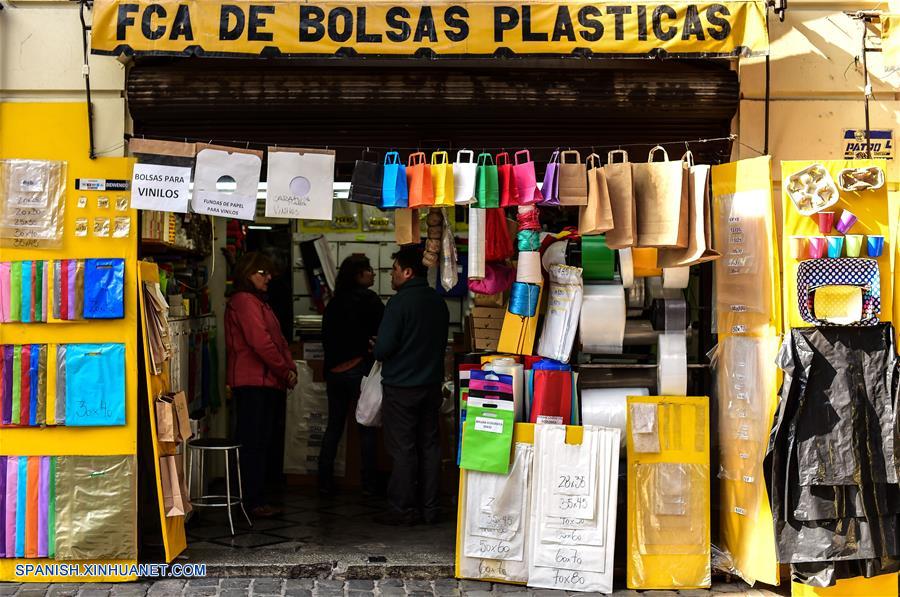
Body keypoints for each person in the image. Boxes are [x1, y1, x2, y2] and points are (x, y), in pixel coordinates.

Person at [373, 245, 450, 525]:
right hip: (430, 386)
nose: (391, 275)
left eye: (394, 270)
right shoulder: (437, 301)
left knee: (403, 449)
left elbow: (383, 349)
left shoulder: (399, 303)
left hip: (401, 388)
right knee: (429, 447)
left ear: (407, 272)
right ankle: (430, 509)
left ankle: (403, 510)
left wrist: (378, 345)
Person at [225, 252, 297, 518]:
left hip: (266, 382)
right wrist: (284, 370)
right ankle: (252, 501)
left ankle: (256, 498)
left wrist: (287, 367)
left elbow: (276, 339)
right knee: (254, 443)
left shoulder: (258, 302)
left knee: (260, 441)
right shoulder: (244, 301)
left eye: (269, 273)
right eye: (262, 273)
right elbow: (261, 343)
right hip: (254, 384)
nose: (268, 278)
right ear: (247, 275)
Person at [320, 254, 385, 496]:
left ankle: (324, 482)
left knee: (334, 427)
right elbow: (384, 333)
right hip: (358, 371)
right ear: (359, 274)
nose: (374, 273)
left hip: (335, 373)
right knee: (366, 428)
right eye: (369, 270)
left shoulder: (334, 303)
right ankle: (368, 484)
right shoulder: (369, 300)